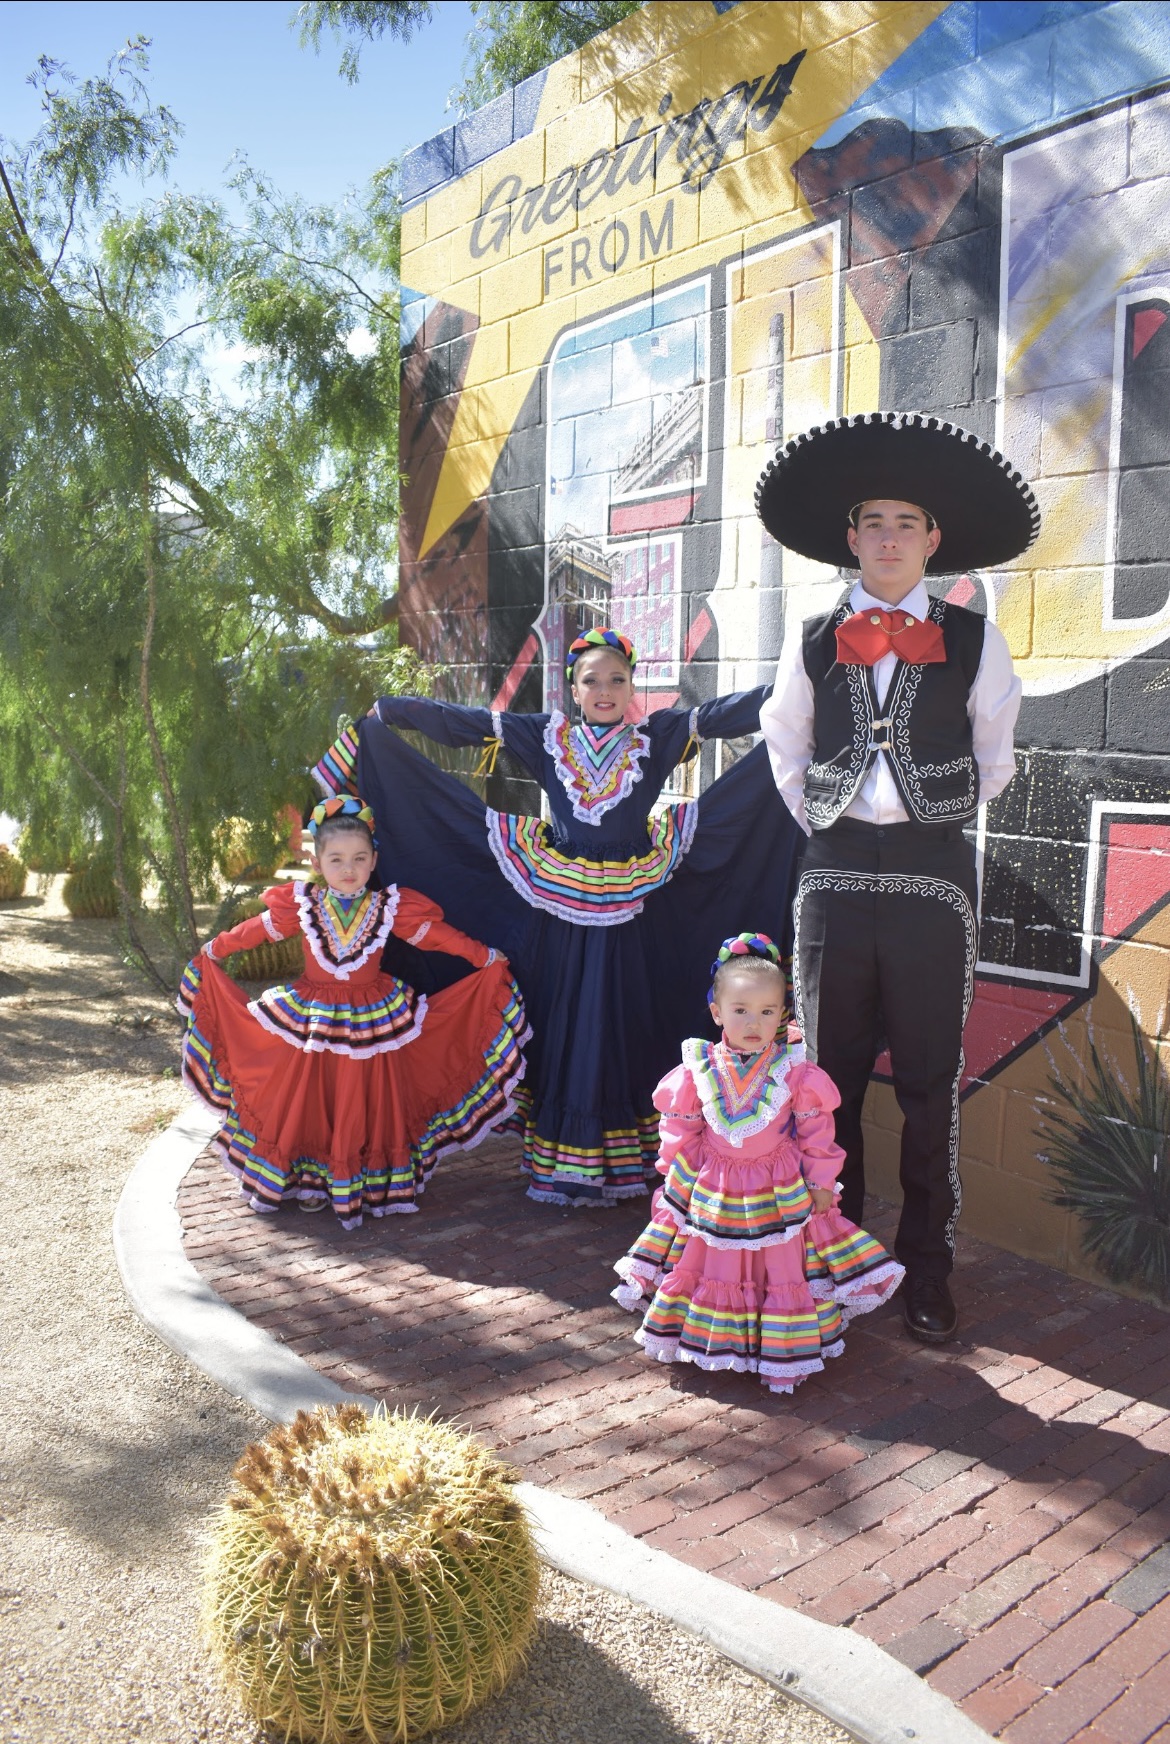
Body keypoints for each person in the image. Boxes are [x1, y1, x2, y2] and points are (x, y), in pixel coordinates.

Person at [310, 628, 804, 1208]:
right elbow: (471, 723)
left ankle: (620, 1152)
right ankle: (563, 1152)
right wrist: (393, 711)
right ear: (573, 688)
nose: (604, 690)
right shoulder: (547, 735)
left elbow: (722, 714)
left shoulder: (658, 734)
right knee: (568, 1016)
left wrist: (799, 687)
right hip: (560, 901)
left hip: (630, 901)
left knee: (618, 1016)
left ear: (632, 688)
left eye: (617, 680)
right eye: (592, 680)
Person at [757, 411, 1035, 1343]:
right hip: (833, 877)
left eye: (905, 524)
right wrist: (829, 826)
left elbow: (994, 757)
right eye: (873, 522)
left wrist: (930, 816)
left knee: (927, 1084)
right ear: (852, 537)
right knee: (826, 1082)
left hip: (932, 879)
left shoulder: (974, 638)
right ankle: (836, 1257)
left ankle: (926, 1270)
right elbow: (785, 743)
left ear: (932, 540)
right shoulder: (812, 635)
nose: (888, 538)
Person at [177, 795, 528, 1227]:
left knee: (366, 1099)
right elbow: (257, 931)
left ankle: (360, 1178)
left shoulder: (389, 908)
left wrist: (482, 956)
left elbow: (437, 937)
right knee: (310, 1099)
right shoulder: (303, 906)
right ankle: (310, 1180)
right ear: (317, 862)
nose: (349, 869)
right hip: (314, 1017)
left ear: (374, 860)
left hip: (372, 1020)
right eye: (337, 859)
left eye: (360, 858)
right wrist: (216, 949)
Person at [612, 934, 902, 1394]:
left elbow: (817, 1133)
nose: (754, 1022)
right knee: (715, 1264)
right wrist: (673, 1177)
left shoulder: (796, 1072)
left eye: (767, 1012)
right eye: (741, 1010)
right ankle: (718, 1341)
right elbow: (681, 1129)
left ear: (782, 1014)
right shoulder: (698, 1069)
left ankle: (778, 1351)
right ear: (717, 1013)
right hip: (715, 1188)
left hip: (776, 1189)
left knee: (777, 1268)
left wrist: (821, 1181)